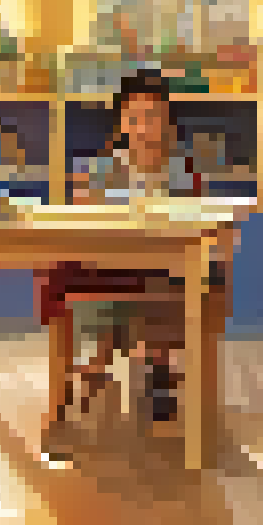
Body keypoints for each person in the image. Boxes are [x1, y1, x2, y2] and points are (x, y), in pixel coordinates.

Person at [42, 69, 216, 452]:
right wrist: (85, 200)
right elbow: (83, 223)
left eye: (152, 117)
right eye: (133, 118)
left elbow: (195, 221)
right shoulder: (98, 169)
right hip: (109, 263)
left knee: (170, 277)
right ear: (120, 123)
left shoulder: (180, 170)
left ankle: (151, 361)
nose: (142, 128)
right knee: (74, 272)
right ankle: (107, 361)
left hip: (165, 265)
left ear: (167, 123)